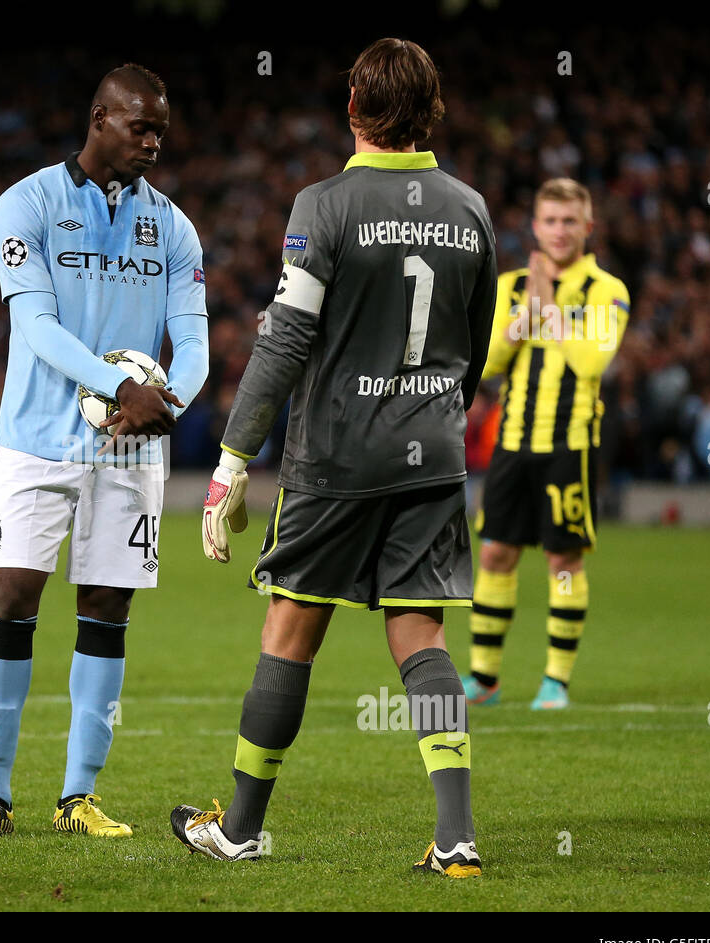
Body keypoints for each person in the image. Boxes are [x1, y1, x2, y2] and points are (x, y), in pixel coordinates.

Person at [171, 38, 496, 877]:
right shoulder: (470, 209)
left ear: (354, 104)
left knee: (290, 630)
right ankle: (457, 838)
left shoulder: (324, 205)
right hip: (433, 455)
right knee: (421, 633)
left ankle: (239, 830)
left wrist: (233, 459)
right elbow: (478, 346)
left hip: (337, 459)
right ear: (431, 108)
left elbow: (282, 344)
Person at [0, 64, 209, 840]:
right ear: (100, 119)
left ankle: (78, 798)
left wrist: (171, 398)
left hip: (130, 453)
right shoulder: (25, 204)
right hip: (38, 440)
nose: (154, 142)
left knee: (107, 609)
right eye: (141, 127)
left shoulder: (174, 226)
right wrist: (113, 385)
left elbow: (190, 337)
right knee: (11, 600)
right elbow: (35, 326)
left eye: (162, 129)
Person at [464, 178, 630, 710]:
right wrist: (524, 316)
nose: (560, 231)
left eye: (570, 221)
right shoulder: (512, 285)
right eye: (551, 221)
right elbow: (485, 364)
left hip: (571, 445)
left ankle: (555, 682)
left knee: (563, 562)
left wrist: (550, 310)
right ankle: (484, 678)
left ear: (588, 227)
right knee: (495, 554)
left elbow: (592, 361)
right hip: (512, 442)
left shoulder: (607, 290)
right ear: (536, 227)